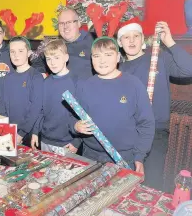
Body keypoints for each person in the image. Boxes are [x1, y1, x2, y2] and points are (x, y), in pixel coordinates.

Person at [117, 19, 192, 191]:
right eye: (126, 37)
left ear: (143, 39)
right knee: (125, 184)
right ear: (120, 43)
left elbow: (189, 69)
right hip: (128, 133)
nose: (132, 40)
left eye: (136, 36)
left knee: (151, 184)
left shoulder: (158, 58)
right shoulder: (118, 69)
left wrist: (169, 42)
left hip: (156, 134)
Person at [72, 37, 155, 173]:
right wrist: (76, 126)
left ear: (117, 57)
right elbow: (73, 117)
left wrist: (139, 156)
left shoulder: (134, 84)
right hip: (90, 156)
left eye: (108, 55)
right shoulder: (84, 85)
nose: (102, 61)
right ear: (91, 59)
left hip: (124, 158)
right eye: (97, 56)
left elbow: (146, 124)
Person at [31, 39, 79, 156]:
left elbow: (84, 115)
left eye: (56, 57)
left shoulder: (77, 82)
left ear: (66, 57)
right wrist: (35, 132)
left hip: (67, 143)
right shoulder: (45, 82)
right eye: (48, 59)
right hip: (45, 139)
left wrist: (77, 142)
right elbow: (40, 110)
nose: (52, 63)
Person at [0, 36, 43, 145]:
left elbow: (36, 108)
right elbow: (2, 105)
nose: (16, 55)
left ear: (29, 53)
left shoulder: (36, 77)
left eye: (20, 51)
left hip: (28, 133)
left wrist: (21, 133)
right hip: (8, 131)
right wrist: (4, 128)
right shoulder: (7, 77)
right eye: (12, 52)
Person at [31, 8, 95, 79]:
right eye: (61, 23)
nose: (65, 27)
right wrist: (40, 74)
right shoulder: (56, 45)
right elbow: (37, 61)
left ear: (79, 23)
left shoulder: (92, 39)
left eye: (69, 22)